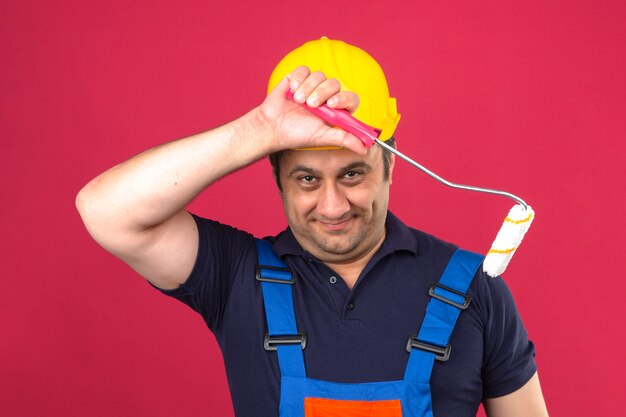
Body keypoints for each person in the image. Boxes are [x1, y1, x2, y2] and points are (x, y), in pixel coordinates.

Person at [76, 37, 548, 417]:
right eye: (306, 178)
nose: (332, 205)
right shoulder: (237, 279)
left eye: (352, 174)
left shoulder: (473, 290)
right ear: (277, 177)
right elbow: (106, 211)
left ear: (390, 165)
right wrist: (260, 129)